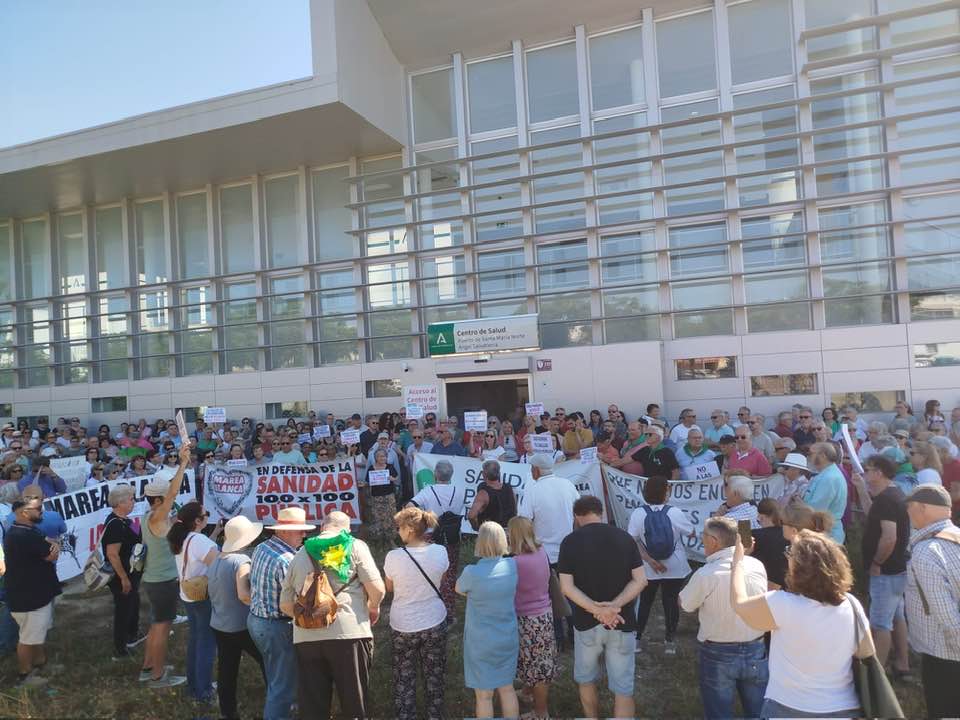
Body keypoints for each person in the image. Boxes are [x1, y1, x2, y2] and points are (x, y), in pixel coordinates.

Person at [730, 530, 866, 718]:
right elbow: (866, 654)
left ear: (799, 566)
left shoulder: (781, 604)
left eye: (790, 553)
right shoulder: (852, 604)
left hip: (788, 707)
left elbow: (739, 605)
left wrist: (738, 560)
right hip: (843, 707)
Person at [279, 511, 384, 719]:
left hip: (306, 638)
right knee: (354, 702)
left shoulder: (300, 553)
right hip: (348, 634)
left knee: (313, 707)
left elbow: (284, 604)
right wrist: (373, 607)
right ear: (347, 529)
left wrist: (310, 617)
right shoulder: (354, 546)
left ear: (321, 527)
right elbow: (377, 589)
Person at [558, 495, 647, 720]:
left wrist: (596, 610)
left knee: (586, 679)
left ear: (577, 516)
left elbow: (566, 587)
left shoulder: (570, 541)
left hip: (586, 623)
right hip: (622, 621)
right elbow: (640, 580)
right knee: (623, 687)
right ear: (601, 513)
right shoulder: (625, 538)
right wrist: (614, 607)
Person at [679, 517, 768, 719]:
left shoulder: (705, 574)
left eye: (703, 536)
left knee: (719, 713)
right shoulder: (757, 566)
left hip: (717, 651)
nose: (701, 540)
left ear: (713, 541)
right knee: (759, 712)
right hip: (756, 647)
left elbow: (685, 605)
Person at [849, 454, 912, 679]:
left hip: (886, 571)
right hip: (896, 569)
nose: (864, 474)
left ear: (879, 473)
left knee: (880, 623)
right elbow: (871, 513)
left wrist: (877, 563)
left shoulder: (887, 499)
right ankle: (903, 664)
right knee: (897, 616)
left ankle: (878, 675)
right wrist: (860, 488)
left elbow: (889, 538)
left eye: (867, 470)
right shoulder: (889, 495)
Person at [248, 507, 314, 720]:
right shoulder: (288, 560)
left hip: (257, 620)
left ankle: (285, 710)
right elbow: (298, 600)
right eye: (300, 531)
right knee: (282, 686)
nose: (304, 535)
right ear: (284, 532)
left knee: (275, 676)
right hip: (276, 625)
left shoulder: (260, 548)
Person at [383, 507, 449, 720]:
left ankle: (406, 715)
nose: (397, 531)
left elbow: (389, 588)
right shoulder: (440, 552)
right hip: (434, 620)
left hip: (403, 624)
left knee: (404, 677)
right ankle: (434, 715)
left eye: (399, 527)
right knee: (434, 675)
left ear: (409, 529)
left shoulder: (393, 557)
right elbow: (442, 578)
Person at [903, 485, 960, 718]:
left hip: (946, 657)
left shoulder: (927, 551)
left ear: (922, 508)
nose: (907, 514)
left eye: (909, 508)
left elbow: (948, 618)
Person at [140, 444, 192, 688]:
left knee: (155, 624)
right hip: (163, 581)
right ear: (159, 499)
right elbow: (173, 493)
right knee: (162, 627)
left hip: (153, 579)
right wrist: (182, 463)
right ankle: (158, 676)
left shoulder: (147, 516)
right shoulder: (159, 515)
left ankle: (148, 666)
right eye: (167, 498)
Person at [456, 521, 520, 720]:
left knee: (484, 695)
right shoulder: (513, 566)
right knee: (507, 689)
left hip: (480, 642)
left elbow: (458, 589)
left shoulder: (471, 573)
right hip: (507, 637)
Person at [208, 516, 267, 720]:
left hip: (219, 623)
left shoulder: (216, 558)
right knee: (267, 660)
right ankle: (278, 701)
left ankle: (228, 711)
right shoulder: (242, 561)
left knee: (227, 668)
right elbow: (243, 594)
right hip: (241, 625)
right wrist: (261, 604)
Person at [627, 475, 692, 655]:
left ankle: (637, 640)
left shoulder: (638, 513)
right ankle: (669, 641)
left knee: (645, 602)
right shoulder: (675, 512)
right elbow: (691, 533)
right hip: (675, 565)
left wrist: (650, 561)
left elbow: (633, 540)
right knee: (670, 602)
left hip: (648, 568)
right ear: (665, 492)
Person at [3, 496, 61, 688]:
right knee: (28, 638)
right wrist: (55, 546)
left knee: (35, 633)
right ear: (24, 513)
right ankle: (24, 675)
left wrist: (51, 545)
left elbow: (48, 544)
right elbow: (52, 554)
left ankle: (39, 664)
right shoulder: (24, 535)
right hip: (30, 597)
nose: (42, 512)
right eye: (38, 509)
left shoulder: (23, 530)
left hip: (31, 593)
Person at [168, 501, 220, 703]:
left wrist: (215, 534)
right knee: (207, 643)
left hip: (188, 595)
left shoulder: (185, 537)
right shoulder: (198, 540)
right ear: (198, 520)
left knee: (196, 640)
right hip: (203, 597)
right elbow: (218, 565)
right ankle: (204, 690)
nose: (208, 516)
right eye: (205, 514)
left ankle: (194, 684)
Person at [508, 516, 558, 720]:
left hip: (527, 619)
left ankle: (541, 712)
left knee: (537, 670)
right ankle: (528, 693)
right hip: (544, 614)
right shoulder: (541, 551)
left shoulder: (515, 562)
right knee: (536, 661)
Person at [101, 485, 144, 659]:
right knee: (123, 610)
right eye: (131, 499)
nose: (133, 502)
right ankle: (120, 648)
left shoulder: (125, 520)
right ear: (120, 502)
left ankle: (132, 634)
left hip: (132, 572)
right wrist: (124, 578)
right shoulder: (115, 525)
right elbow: (112, 554)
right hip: (122, 575)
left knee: (133, 602)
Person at [804, 442, 848, 543]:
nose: (808, 456)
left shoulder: (829, 478)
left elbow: (815, 509)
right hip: (825, 533)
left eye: (811, 453)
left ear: (823, 456)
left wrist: (798, 503)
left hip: (826, 535)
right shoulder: (827, 474)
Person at [749, 499, 788, 589]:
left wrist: (744, 526)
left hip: (762, 586)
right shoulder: (788, 533)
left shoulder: (754, 534)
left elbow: (742, 555)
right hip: (786, 587)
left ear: (761, 517)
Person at [467, 460, 517, 529]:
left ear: (484, 474)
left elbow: (471, 516)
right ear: (499, 473)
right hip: (508, 531)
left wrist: (477, 527)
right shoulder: (510, 489)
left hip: (491, 532)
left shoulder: (483, 493)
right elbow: (514, 509)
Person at [366, 449, 399, 545]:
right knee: (378, 517)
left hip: (389, 496)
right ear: (376, 458)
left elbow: (396, 477)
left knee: (391, 516)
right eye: (380, 456)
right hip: (376, 497)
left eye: (384, 456)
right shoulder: (371, 468)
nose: (382, 458)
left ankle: (392, 539)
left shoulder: (390, 467)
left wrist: (393, 479)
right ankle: (380, 540)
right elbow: (367, 481)